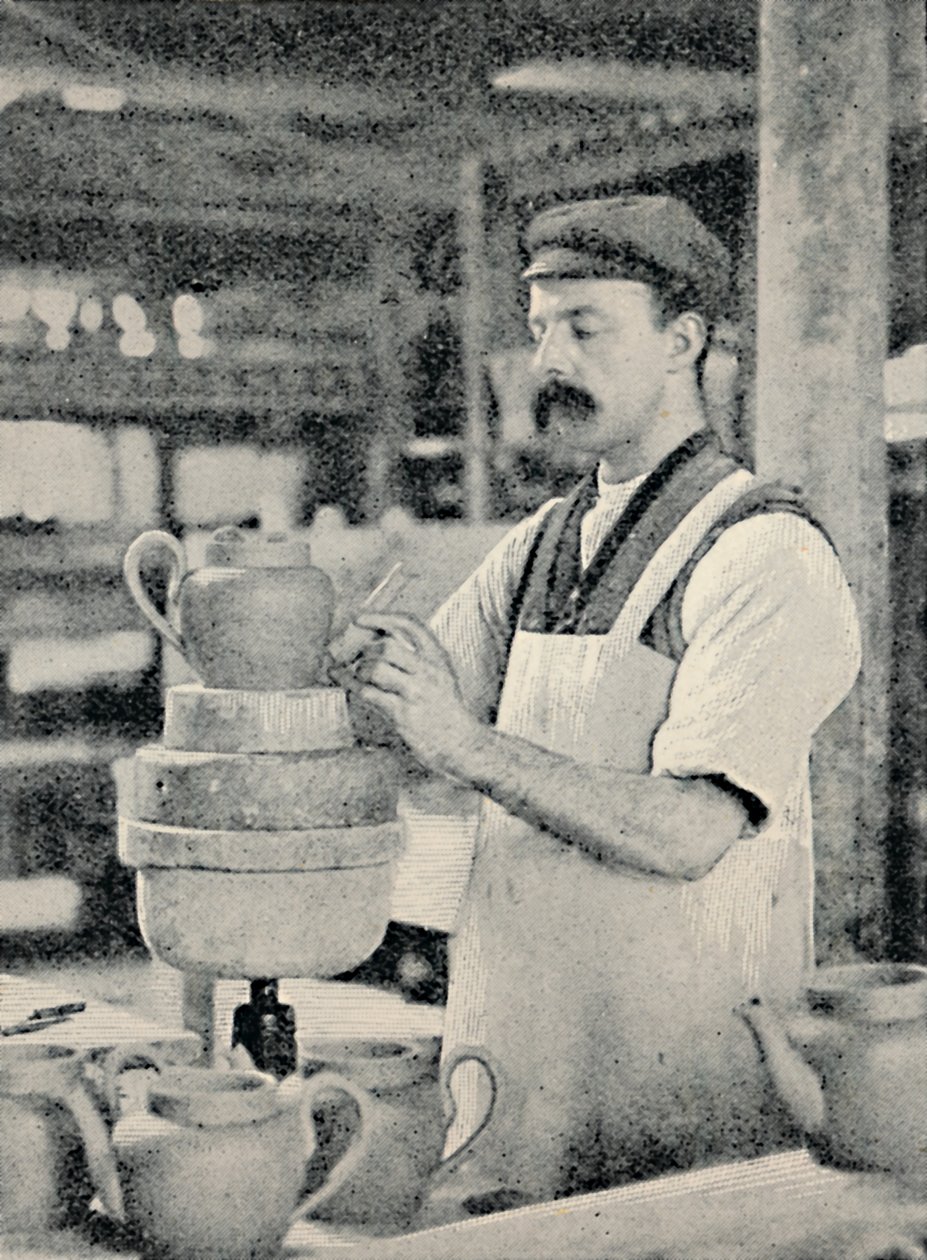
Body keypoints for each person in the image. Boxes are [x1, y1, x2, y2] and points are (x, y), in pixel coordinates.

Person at [331, 194, 862, 1205]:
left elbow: (689, 830)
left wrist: (463, 742)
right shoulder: (541, 543)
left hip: (685, 1093)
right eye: (540, 331)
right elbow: (403, 716)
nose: (551, 363)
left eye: (586, 328)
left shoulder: (761, 551)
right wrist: (337, 662)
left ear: (683, 341)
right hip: (517, 1071)